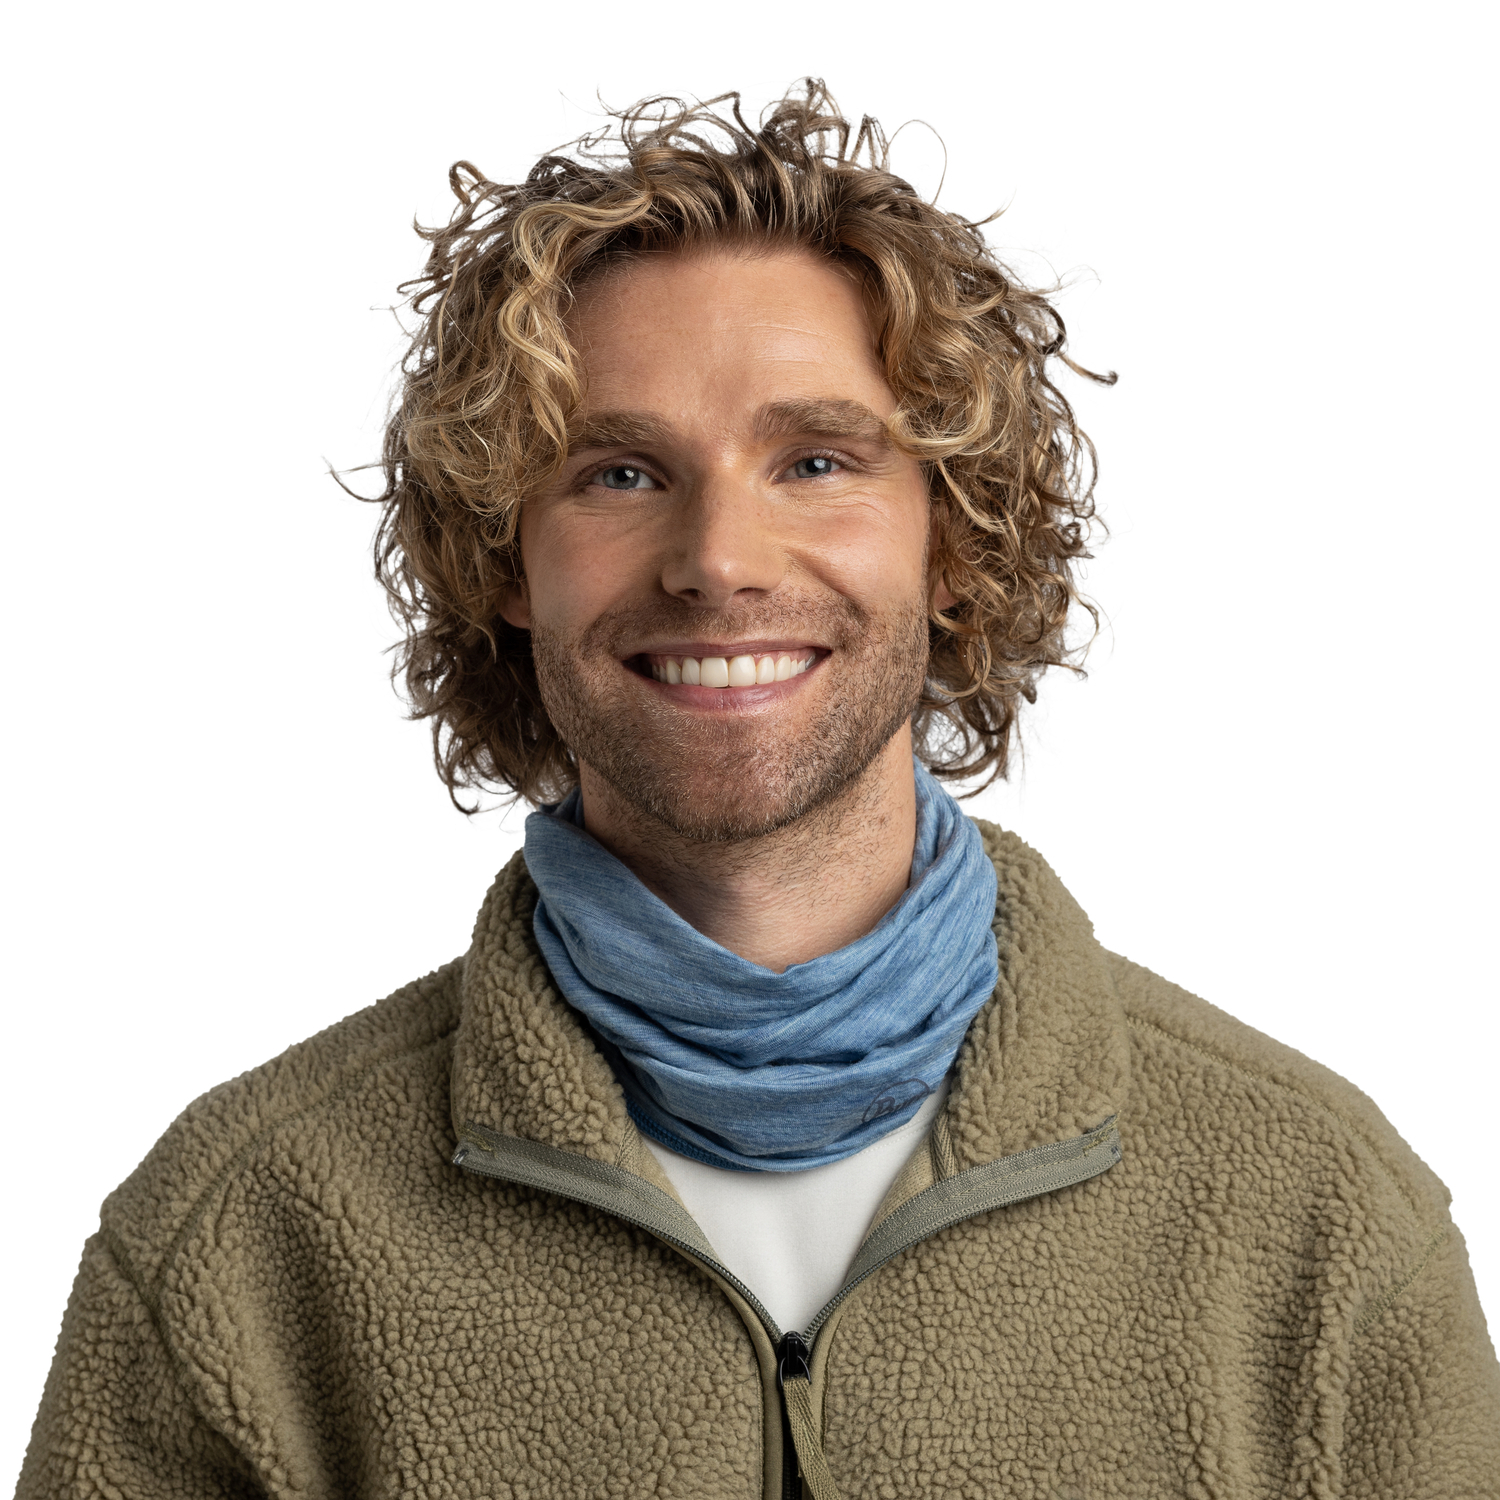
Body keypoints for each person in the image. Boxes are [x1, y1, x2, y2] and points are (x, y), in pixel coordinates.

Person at [18, 81, 1499, 1500]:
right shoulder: (244, 1239)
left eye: (816, 461)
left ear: (955, 538)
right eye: (617, 472)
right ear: (503, 560)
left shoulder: (1320, 1224)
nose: (718, 558)